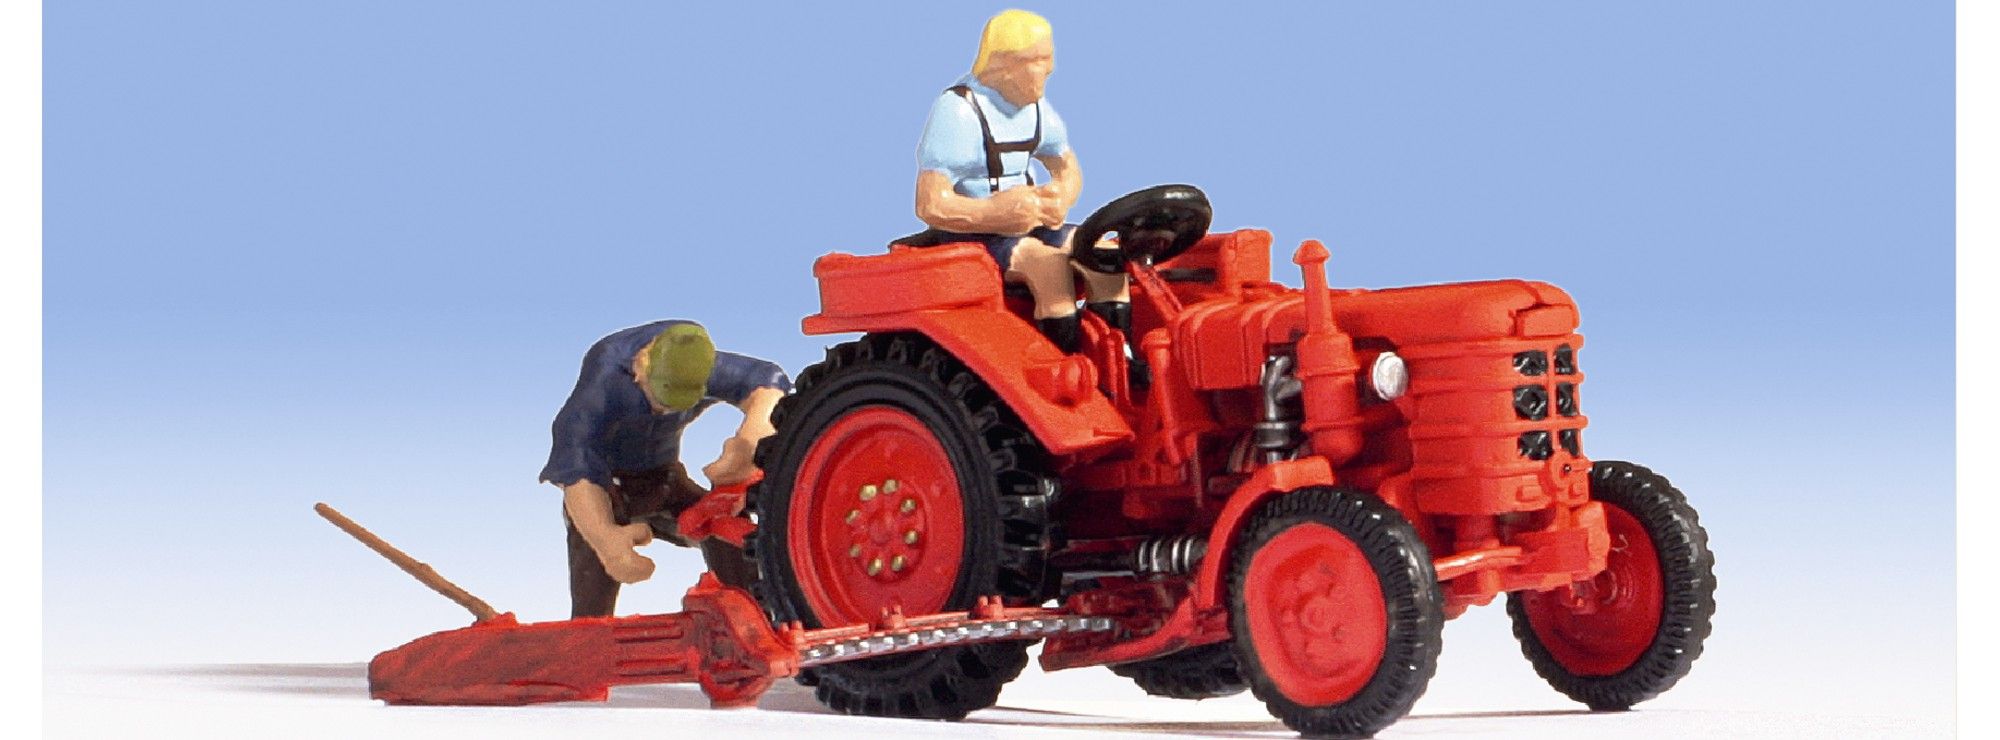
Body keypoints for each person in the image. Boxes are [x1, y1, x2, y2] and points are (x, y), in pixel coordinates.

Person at [903, 9, 1145, 383]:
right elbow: (930, 203)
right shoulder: (960, 113)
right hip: (974, 237)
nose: (1050, 69)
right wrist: (993, 214)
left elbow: (1067, 166)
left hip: (1030, 225)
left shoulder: (1035, 109)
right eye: (1038, 60)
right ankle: (1063, 368)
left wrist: (1061, 197)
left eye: (1049, 58)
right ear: (1003, 65)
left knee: (1105, 255)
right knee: (1048, 266)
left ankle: (1120, 361)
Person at [539, 320, 791, 618]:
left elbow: (769, 380)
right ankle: (588, 632)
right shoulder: (606, 377)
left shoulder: (697, 364)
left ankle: (754, 614)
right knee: (594, 552)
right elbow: (575, 462)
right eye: (662, 399)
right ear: (640, 368)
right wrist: (607, 541)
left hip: (666, 479)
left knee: (726, 526)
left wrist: (751, 439)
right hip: (606, 490)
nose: (667, 412)